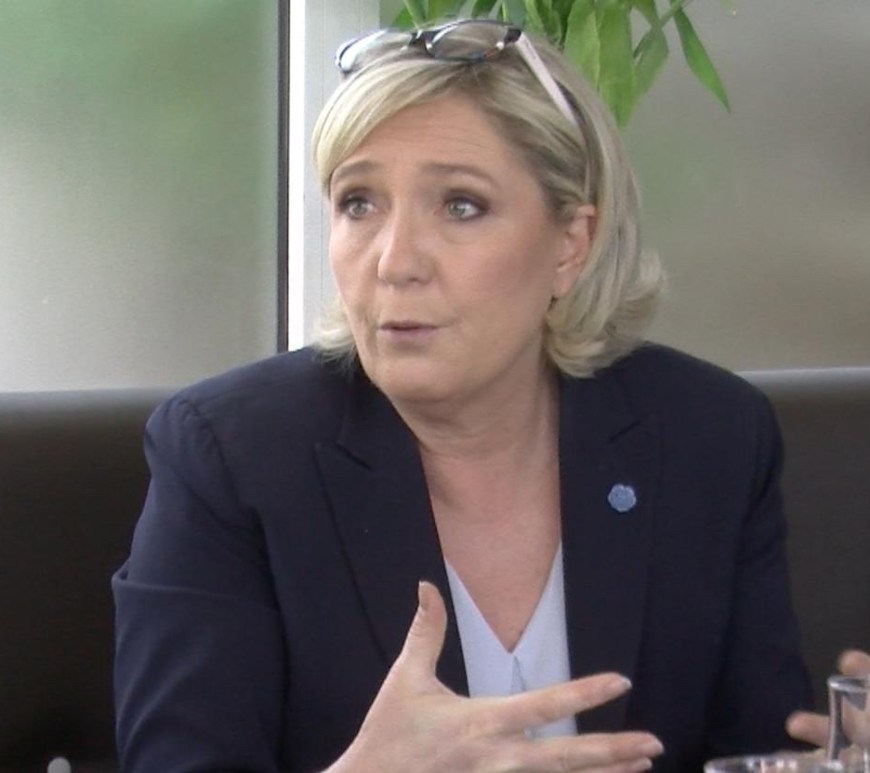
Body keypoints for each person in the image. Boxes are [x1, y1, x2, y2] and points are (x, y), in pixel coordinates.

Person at [113, 19, 816, 773]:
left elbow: (765, 751)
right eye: (359, 203)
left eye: (460, 206)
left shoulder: (709, 435)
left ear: (570, 244)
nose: (395, 261)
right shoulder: (231, 456)